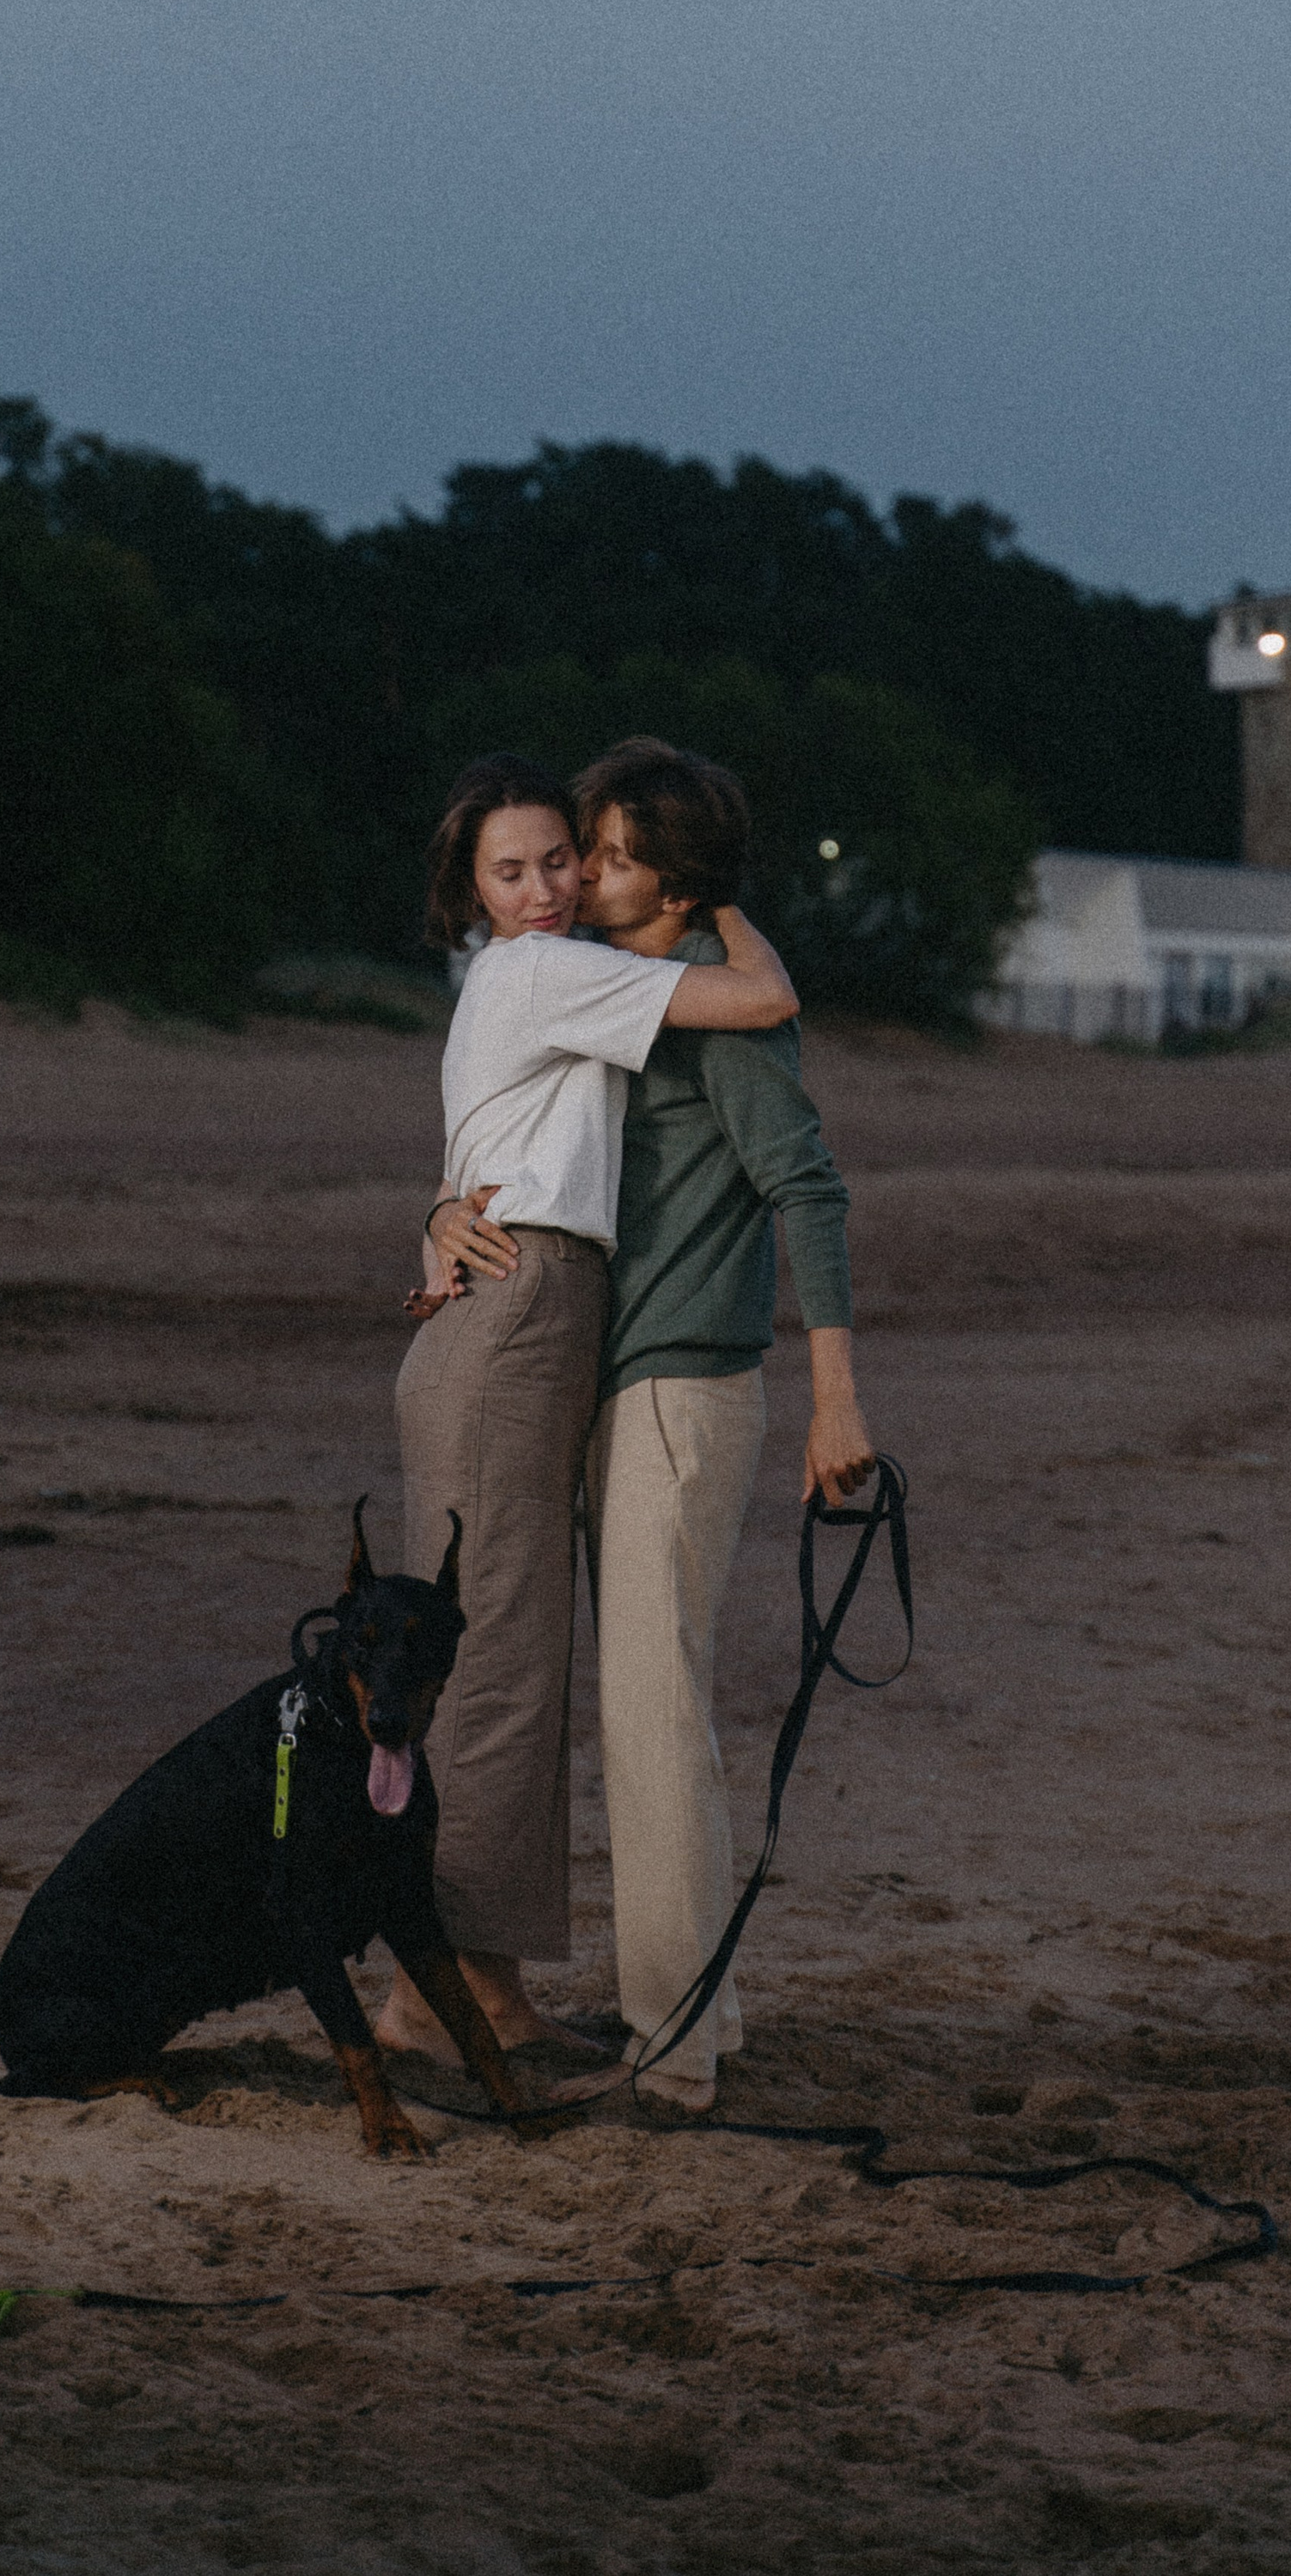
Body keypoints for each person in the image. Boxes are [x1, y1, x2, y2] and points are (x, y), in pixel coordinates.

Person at [429, 739, 874, 2111]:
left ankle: (669, 2053)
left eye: (604, 854)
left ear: (669, 881)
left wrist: (838, 1400)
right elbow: (523, 1126)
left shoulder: (713, 1003)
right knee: (648, 1706)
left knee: (655, 1712)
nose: (577, 876)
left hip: (683, 1382)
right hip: (620, 1374)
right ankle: (691, 2017)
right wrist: (445, 1211)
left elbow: (809, 1182)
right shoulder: (637, 997)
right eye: (564, 854)